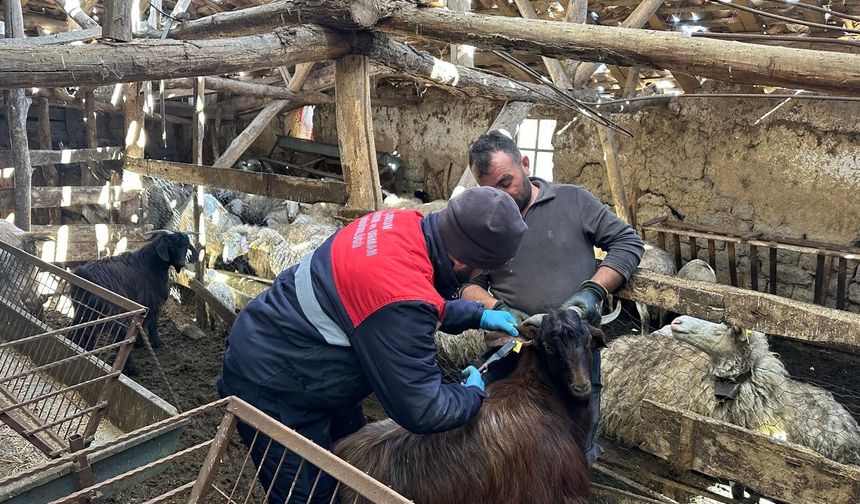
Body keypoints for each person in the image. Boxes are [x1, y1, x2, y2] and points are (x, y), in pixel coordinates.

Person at [217, 186, 528, 504]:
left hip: (301, 350)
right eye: (485, 269)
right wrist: (472, 394)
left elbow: (407, 300)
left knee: (354, 467)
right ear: (461, 259)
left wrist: (477, 315)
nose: (484, 275)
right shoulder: (399, 296)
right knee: (308, 495)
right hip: (274, 382)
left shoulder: (404, 224)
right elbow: (423, 409)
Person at [460, 130, 644, 465]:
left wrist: (593, 291)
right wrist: (496, 309)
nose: (500, 196)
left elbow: (628, 243)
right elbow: (468, 283)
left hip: (573, 347)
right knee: (500, 446)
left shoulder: (573, 201)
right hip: (515, 346)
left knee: (574, 440)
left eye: (506, 182)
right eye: (489, 190)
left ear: (525, 164)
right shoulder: (486, 222)